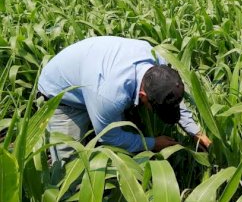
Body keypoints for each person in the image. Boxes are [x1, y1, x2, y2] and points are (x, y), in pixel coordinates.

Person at [38, 36, 211, 163]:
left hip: (91, 73)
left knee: (126, 129)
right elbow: (110, 136)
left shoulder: (157, 61)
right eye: (156, 108)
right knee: (68, 162)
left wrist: (195, 132)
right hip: (62, 93)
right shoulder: (109, 97)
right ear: (143, 96)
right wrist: (152, 144)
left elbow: (171, 96)